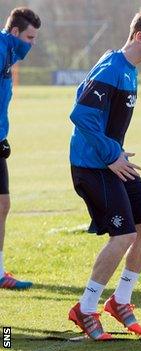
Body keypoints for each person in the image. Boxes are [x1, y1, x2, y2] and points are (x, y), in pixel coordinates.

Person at [67, 8, 141, 340]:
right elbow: (80, 115)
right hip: (92, 165)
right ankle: (85, 309)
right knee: (124, 235)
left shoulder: (127, 70)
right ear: (139, 37)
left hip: (110, 160)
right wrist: (111, 152)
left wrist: (115, 150)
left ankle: (121, 300)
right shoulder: (113, 67)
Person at [0, 7, 40, 290]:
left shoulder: (9, 54)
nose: (32, 44)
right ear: (15, 32)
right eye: (29, 37)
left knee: (2, 205)